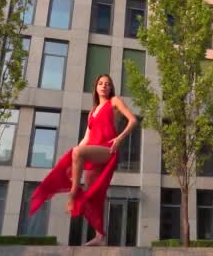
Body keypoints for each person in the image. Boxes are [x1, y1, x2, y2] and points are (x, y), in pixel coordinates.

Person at [30, 74, 137, 246]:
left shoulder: (114, 101)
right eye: (100, 83)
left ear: (111, 89)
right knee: (93, 196)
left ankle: (73, 193)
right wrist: (75, 157)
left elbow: (133, 120)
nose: (104, 86)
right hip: (92, 152)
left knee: (78, 154)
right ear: (96, 87)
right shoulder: (92, 112)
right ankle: (100, 235)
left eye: (107, 84)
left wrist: (120, 138)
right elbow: (86, 139)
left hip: (108, 148)